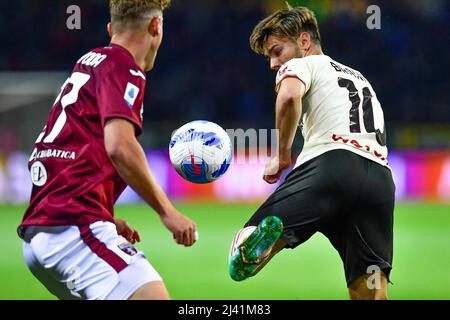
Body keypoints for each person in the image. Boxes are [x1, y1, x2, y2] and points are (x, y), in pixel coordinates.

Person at [18, 0, 197, 300]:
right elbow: (120, 146)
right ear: (155, 26)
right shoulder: (124, 67)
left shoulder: (88, 63)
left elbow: (63, 152)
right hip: (73, 233)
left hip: (46, 229)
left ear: (111, 29)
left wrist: (105, 215)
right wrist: (167, 212)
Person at [229, 5, 395, 300]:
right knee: (370, 289)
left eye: (276, 51)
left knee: (248, 243)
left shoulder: (303, 64)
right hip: (379, 179)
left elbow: (289, 96)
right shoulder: (360, 78)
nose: (273, 63)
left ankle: (258, 245)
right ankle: (268, 241)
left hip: (330, 167)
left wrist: (282, 155)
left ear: (304, 42)